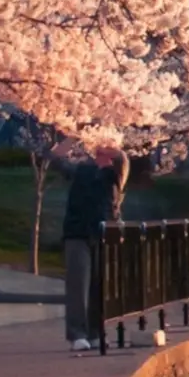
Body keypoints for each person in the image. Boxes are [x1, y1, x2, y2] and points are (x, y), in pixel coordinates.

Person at [60, 144, 125, 352]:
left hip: (104, 232)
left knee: (100, 285)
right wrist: (70, 140)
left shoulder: (114, 173)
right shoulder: (81, 168)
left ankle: (97, 332)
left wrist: (114, 149)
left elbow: (123, 160)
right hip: (77, 232)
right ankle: (77, 333)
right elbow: (56, 159)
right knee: (78, 285)